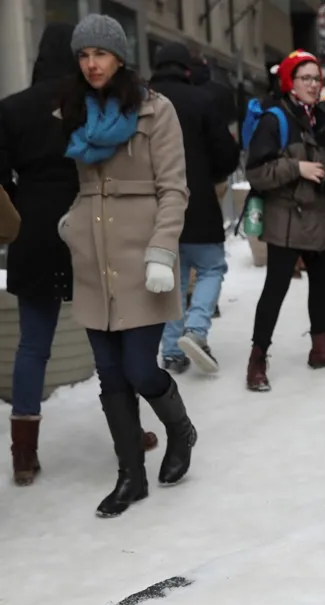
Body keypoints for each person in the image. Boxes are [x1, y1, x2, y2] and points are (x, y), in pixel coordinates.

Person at [0, 23, 159, 487]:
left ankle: (23, 454)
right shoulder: (86, 104)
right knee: (107, 339)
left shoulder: (11, 109)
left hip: (32, 232)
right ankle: (128, 437)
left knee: (33, 344)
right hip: (87, 227)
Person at [58, 14, 196, 516]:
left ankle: (180, 430)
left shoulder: (155, 110)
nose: (91, 64)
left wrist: (162, 249)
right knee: (110, 375)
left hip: (143, 257)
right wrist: (69, 225)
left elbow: (174, 187)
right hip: (93, 257)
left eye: (99, 53)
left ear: (119, 56)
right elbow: (75, 185)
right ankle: (129, 476)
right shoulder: (73, 112)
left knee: (140, 368)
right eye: (83, 55)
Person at [244, 50, 325, 393]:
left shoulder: (321, 119)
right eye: (305, 78)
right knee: (276, 288)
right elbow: (257, 173)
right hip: (287, 219)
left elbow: (324, 165)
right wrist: (297, 168)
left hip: (319, 217)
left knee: (323, 281)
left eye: (317, 78)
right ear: (290, 83)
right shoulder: (275, 119)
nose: (313, 84)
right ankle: (257, 358)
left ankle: (321, 346)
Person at [150, 43, 240, 375]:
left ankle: (173, 349)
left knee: (170, 276)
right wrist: (209, 175)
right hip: (198, 200)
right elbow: (227, 155)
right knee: (211, 268)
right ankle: (196, 329)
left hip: (154, 207)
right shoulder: (203, 100)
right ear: (187, 69)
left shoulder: (142, 102)